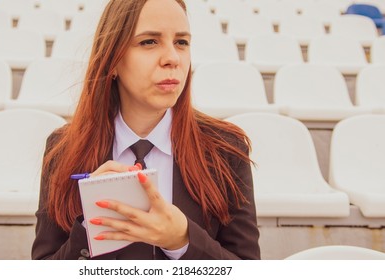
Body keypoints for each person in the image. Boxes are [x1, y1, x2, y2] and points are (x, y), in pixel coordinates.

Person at [32, 0, 260, 260]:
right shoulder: (64, 148)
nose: (172, 58)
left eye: (181, 42)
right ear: (112, 60)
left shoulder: (226, 148)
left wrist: (182, 240)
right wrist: (89, 226)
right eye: (149, 42)